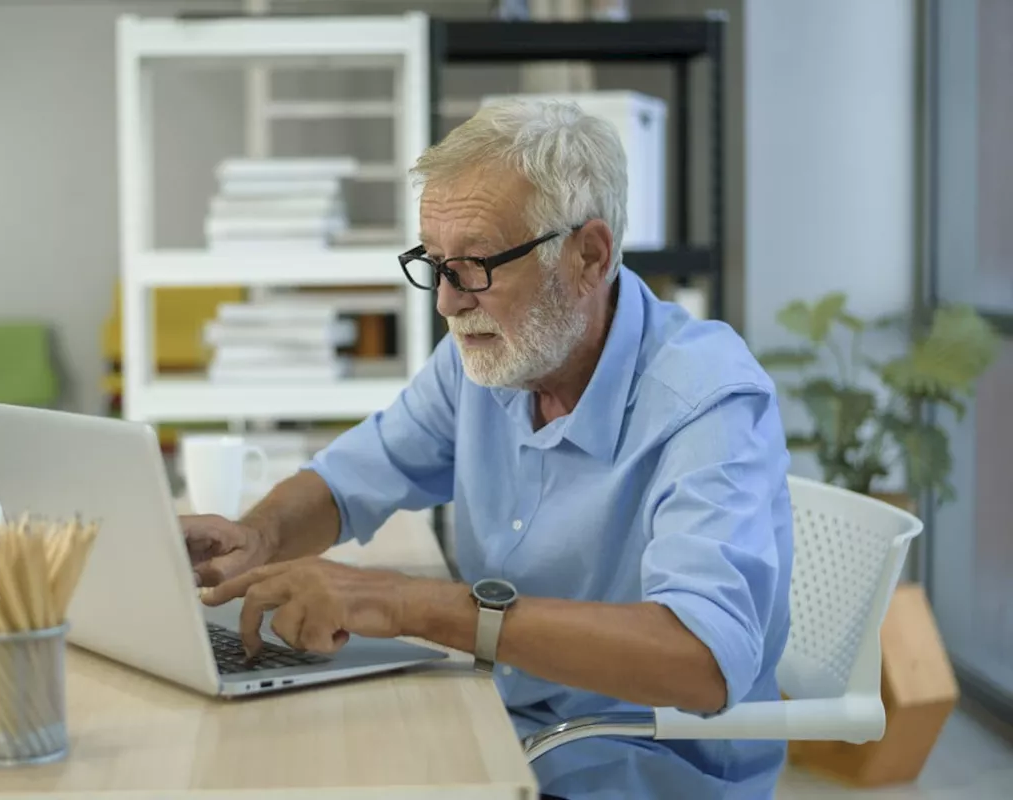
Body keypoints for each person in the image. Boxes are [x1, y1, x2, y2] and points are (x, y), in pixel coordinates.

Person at [183, 98, 793, 800]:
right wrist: (256, 536)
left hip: (635, 769)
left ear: (588, 255)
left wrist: (407, 604)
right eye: (434, 263)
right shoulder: (491, 356)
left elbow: (702, 660)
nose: (446, 302)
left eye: (474, 265)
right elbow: (348, 480)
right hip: (499, 724)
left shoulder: (706, 398)